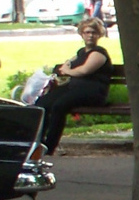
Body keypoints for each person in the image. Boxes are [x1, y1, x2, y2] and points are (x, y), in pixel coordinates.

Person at [36, 17, 112, 151]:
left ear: (99, 35)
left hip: (93, 92)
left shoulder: (99, 53)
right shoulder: (81, 52)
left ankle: (49, 146)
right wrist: (66, 66)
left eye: (94, 33)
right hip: (74, 89)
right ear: (82, 34)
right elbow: (68, 63)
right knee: (43, 103)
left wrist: (67, 70)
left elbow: (84, 71)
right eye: (87, 32)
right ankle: (37, 141)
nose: (90, 36)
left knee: (59, 106)